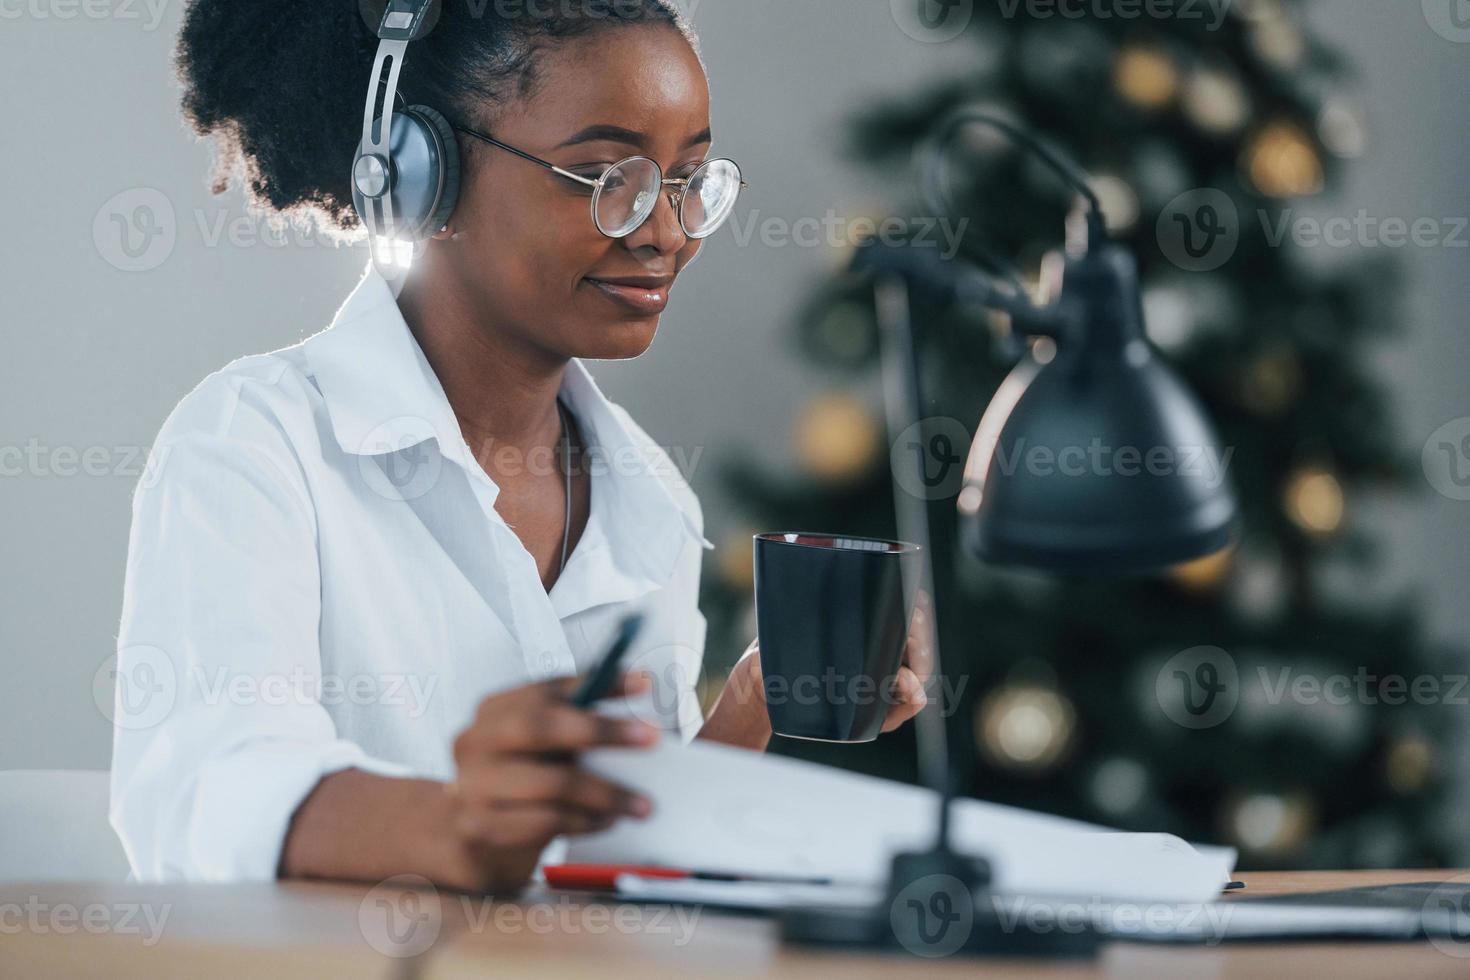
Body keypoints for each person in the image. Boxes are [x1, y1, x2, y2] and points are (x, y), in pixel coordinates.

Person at [110, 0, 930, 892]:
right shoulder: (256, 447)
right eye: (606, 178)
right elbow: (206, 796)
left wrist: (751, 706)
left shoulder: (647, 498)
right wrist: (458, 823)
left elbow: (616, 869)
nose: (666, 232)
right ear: (425, 176)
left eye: (689, 180)